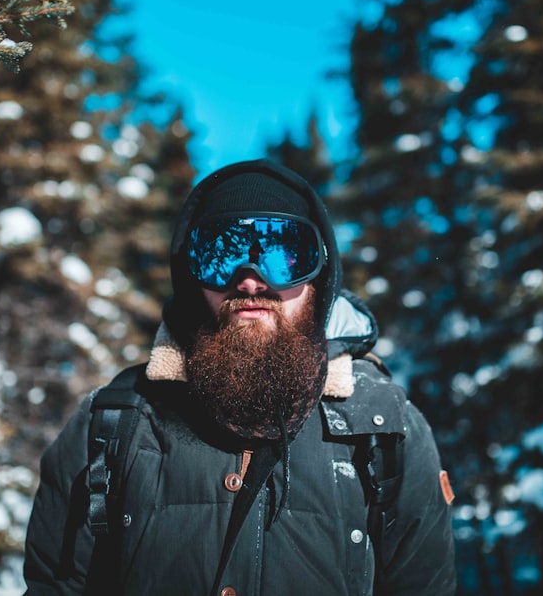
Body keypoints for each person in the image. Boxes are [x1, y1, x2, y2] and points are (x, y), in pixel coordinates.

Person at [23, 159, 457, 595]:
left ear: (319, 276)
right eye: (220, 254)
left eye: (284, 254)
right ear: (191, 276)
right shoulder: (111, 425)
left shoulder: (385, 429)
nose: (250, 280)